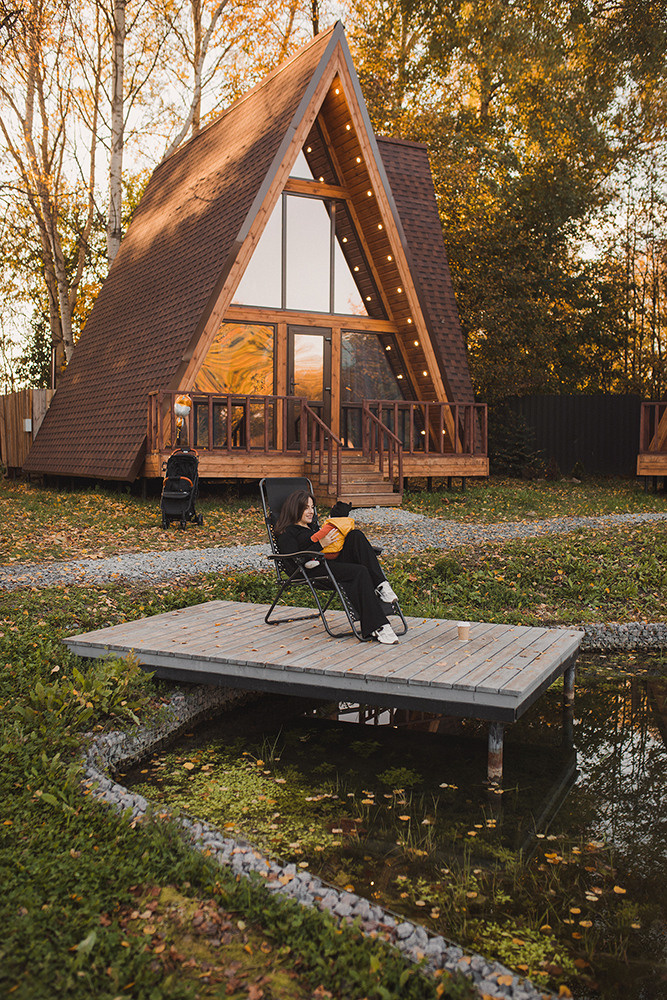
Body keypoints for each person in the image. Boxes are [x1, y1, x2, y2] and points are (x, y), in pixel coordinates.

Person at [274, 489, 400, 644]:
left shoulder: (314, 528)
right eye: (306, 508)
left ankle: (381, 585)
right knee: (359, 572)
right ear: (295, 508)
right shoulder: (288, 532)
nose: (311, 511)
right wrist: (320, 545)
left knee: (356, 535)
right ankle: (378, 626)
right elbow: (294, 559)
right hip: (313, 570)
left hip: (331, 562)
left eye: (312, 507)